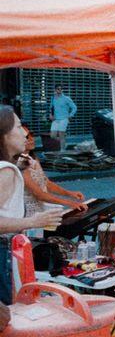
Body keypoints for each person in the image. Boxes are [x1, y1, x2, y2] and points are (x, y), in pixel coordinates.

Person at [0, 107, 62, 304]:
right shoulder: (6, 171)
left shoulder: (10, 167)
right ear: (4, 134)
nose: (25, 132)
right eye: (18, 126)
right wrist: (33, 220)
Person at [21, 128, 87, 217]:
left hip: (40, 211)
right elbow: (38, 194)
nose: (31, 139)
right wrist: (72, 203)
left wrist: (70, 193)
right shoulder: (19, 162)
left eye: (31, 135)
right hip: (27, 215)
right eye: (26, 137)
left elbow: (47, 183)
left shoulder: (33, 158)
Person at [48, 84, 76, 151]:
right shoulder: (53, 98)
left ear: (62, 90)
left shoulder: (66, 99)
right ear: (55, 90)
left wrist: (71, 115)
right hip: (56, 118)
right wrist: (50, 114)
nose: (59, 90)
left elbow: (74, 107)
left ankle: (62, 149)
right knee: (52, 135)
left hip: (64, 118)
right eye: (58, 89)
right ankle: (63, 143)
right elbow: (50, 107)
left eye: (61, 89)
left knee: (61, 134)